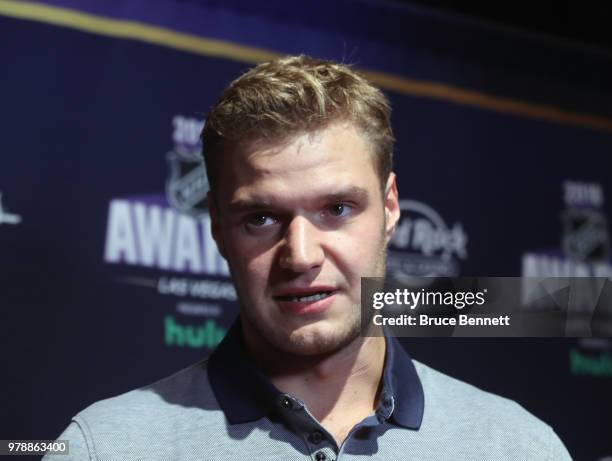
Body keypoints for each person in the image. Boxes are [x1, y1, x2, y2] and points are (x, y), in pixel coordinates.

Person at [47, 55, 570, 460]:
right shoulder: (105, 447)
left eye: (336, 208)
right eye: (261, 218)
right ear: (216, 226)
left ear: (390, 207)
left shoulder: (518, 446)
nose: (299, 255)